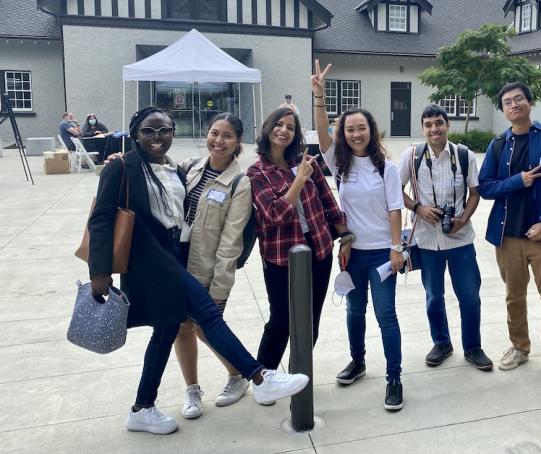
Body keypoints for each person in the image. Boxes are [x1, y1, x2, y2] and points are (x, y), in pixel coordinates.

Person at [87, 107, 309, 435]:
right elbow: (102, 219)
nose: (157, 137)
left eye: (164, 131)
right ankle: (259, 376)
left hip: (174, 258)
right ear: (135, 132)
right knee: (205, 314)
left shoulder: (172, 168)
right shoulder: (123, 167)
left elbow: (222, 235)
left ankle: (142, 407)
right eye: (149, 131)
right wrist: (99, 271)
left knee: (166, 331)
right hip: (150, 263)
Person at [311, 60, 406, 411]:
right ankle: (358, 361)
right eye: (349, 129)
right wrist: (319, 97)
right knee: (354, 311)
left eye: (361, 128)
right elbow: (321, 135)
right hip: (352, 252)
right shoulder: (340, 163)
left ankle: (394, 378)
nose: (355, 134)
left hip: (382, 252)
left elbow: (395, 209)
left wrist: (397, 249)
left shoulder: (388, 167)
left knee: (386, 316)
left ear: (372, 130)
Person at [247, 106, 348, 402]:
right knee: (281, 320)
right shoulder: (257, 172)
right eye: (278, 125)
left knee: (310, 320)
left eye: (290, 127)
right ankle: (263, 379)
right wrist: (298, 180)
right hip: (281, 258)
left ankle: (295, 373)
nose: (284, 131)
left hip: (318, 250)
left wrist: (345, 235)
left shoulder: (305, 161)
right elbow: (275, 214)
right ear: (268, 129)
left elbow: (329, 202)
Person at [478, 82, 541, 383]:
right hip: (508, 238)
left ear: (530, 103)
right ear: (503, 110)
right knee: (514, 297)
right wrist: (518, 180)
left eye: (519, 99)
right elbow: (485, 187)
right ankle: (519, 347)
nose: (514, 105)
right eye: (507, 101)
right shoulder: (498, 145)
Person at [171, 113, 254, 419]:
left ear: (238, 143)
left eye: (227, 136)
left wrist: (220, 286)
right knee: (182, 327)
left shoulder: (239, 183)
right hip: (178, 262)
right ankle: (192, 389)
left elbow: (231, 241)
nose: (219, 141)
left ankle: (237, 375)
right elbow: (153, 170)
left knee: (207, 328)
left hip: (207, 267)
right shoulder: (190, 167)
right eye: (214, 133)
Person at [398, 104, 493, 371]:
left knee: (470, 296)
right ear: (422, 128)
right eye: (428, 125)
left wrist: (464, 218)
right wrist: (418, 208)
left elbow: (475, 192)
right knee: (434, 297)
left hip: (460, 238)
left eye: (439, 123)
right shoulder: (412, 155)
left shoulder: (464, 155)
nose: (434, 129)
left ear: (447, 125)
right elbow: (395, 189)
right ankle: (442, 343)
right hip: (427, 239)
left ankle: (473, 347)